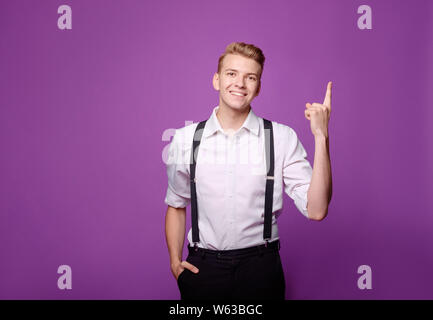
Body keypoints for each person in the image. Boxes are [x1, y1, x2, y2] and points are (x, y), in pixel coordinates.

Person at [164, 42, 332, 300]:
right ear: (216, 80)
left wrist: (321, 137)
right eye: (231, 74)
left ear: (258, 87)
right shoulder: (185, 139)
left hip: (261, 269)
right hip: (203, 269)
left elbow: (317, 209)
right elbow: (176, 204)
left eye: (250, 77)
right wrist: (175, 263)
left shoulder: (281, 137)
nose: (240, 83)